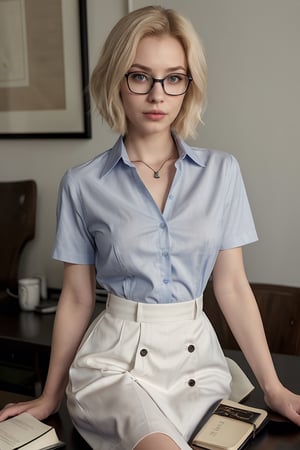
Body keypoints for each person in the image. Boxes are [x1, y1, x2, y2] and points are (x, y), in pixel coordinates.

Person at [0, 5, 299, 450]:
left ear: (187, 86)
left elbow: (232, 287)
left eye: (174, 77)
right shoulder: (83, 184)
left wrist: (273, 387)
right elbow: (79, 298)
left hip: (198, 363)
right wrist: (50, 395)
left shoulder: (222, 173)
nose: (157, 95)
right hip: (117, 366)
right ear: (116, 81)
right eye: (140, 76)